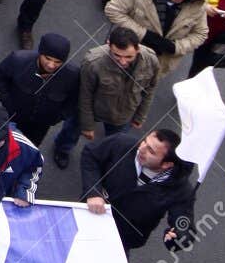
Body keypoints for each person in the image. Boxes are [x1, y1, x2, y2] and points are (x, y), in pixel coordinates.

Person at [81, 126, 197, 254]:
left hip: (121, 240)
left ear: (167, 164)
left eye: (151, 151)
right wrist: (93, 192)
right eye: (145, 141)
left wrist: (179, 237)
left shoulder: (181, 191)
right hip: (89, 215)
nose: (141, 148)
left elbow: (185, 225)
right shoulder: (121, 143)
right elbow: (91, 155)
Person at [57, 26, 161, 168]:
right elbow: (84, 95)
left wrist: (140, 116)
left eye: (128, 57)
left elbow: (150, 88)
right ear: (108, 45)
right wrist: (87, 125)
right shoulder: (93, 62)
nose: (123, 61)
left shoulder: (151, 60)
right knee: (71, 131)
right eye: (117, 55)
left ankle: (102, 159)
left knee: (114, 143)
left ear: (138, 49)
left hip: (124, 114)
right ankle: (62, 150)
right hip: (94, 109)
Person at [104, 0, 208, 74]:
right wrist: (144, 34)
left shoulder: (197, 5)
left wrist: (176, 47)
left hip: (160, 63)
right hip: (125, 50)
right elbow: (113, 10)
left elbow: (200, 33)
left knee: (145, 83)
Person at [0, 33, 79, 149]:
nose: (51, 65)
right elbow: (1, 76)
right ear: (40, 52)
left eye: (58, 62)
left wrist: (58, 117)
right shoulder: (17, 60)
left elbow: (73, 100)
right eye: (48, 58)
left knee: (30, 147)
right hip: (13, 116)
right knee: (3, 142)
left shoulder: (72, 75)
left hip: (41, 125)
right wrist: (6, 101)